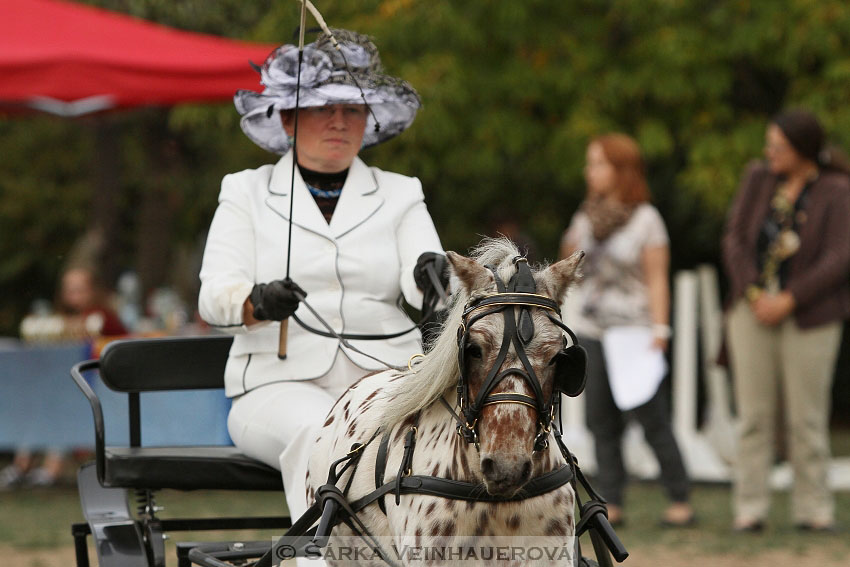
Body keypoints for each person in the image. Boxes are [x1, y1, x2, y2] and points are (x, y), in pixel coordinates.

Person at [198, 29, 445, 530]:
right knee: (319, 431)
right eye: (321, 108)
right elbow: (213, 296)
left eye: (352, 108)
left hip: (386, 379)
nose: (339, 121)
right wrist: (257, 302)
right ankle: (317, 560)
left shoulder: (401, 193)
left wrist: (432, 277)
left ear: (368, 120)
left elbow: (428, 276)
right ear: (287, 119)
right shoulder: (245, 192)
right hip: (275, 386)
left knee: (435, 439)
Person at [722, 109, 850, 533]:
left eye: (777, 145)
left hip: (811, 316)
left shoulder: (837, 190)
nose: (769, 152)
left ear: (802, 148)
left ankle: (814, 509)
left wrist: (791, 298)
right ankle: (750, 507)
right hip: (751, 311)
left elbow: (839, 257)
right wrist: (755, 294)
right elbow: (735, 238)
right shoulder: (758, 178)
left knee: (806, 417)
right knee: (754, 416)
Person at [559, 133, 694, 527]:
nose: (590, 171)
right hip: (592, 329)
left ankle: (679, 496)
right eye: (590, 163)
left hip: (635, 332)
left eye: (598, 163)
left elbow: (656, 280)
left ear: (622, 169)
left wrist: (661, 330)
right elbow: (570, 269)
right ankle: (612, 500)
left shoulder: (647, 220)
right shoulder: (585, 217)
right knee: (601, 420)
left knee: (651, 417)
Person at [0, 266, 126, 490]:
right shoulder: (59, 321)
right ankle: (24, 465)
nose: (74, 296)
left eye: (80, 290)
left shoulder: (102, 319)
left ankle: (49, 467)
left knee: (56, 405)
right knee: (41, 403)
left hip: (101, 393)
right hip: (69, 392)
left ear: (94, 290)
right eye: (70, 290)